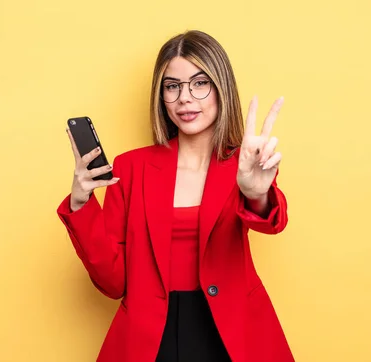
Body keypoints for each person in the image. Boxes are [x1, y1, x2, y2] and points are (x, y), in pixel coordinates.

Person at [57, 30, 295, 362]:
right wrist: (82, 205)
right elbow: (113, 283)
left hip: (229, 334)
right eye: (172, 86)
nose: (185, 98)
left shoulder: (245, 164)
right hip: (152, 339)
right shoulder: (131, 168)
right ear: (161, 95)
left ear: (221, 88)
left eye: (199, 83)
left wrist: (257, 194)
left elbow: (273, 221)